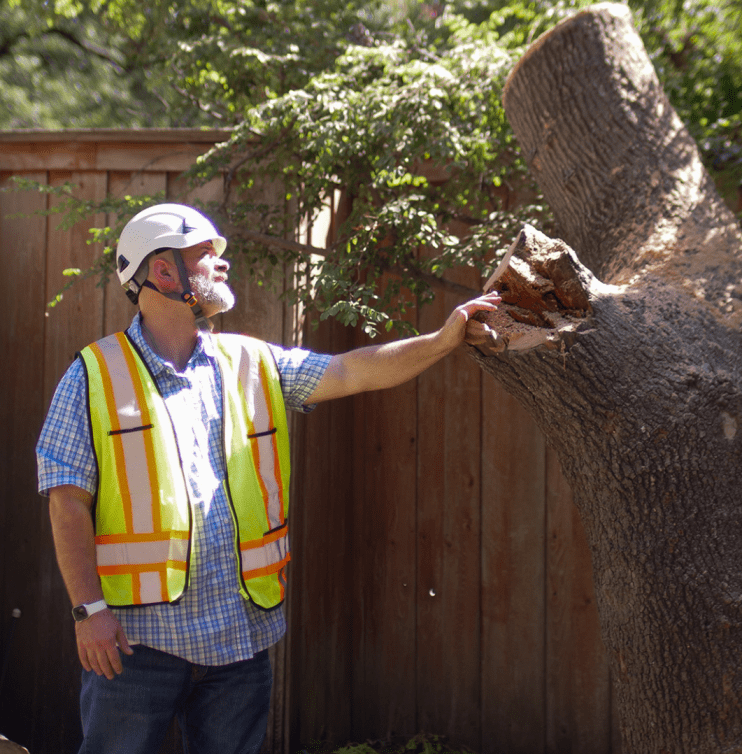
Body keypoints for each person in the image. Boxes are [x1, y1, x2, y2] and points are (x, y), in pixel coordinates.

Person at [36, 203, 501, 754]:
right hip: (136, 646)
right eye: (207, 253)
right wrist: (89, 611)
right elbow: (67, 502)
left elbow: (351, 370)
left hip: (240, 641)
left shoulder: (252, 362)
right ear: (163, 272)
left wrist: (442, 341)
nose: (223, 262)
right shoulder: (92, 375)